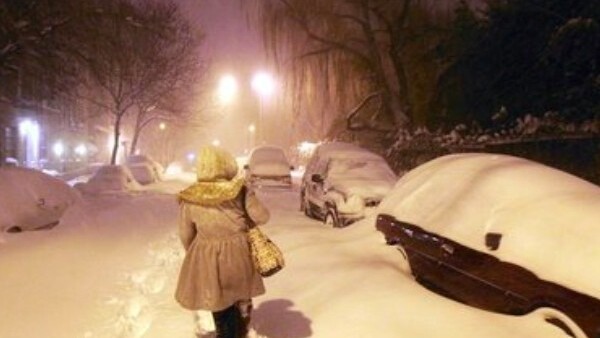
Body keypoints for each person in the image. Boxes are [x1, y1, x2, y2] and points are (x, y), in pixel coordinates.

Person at [175, 145, 270, 338]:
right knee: (240, 291)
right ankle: (241, 316)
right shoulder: (239, 191)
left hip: (208, 255)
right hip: (239, 253)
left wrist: (196, 251)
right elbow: (262, 217)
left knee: (218, 301)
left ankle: (226, 331)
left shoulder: (191, 197)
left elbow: (185, 233)